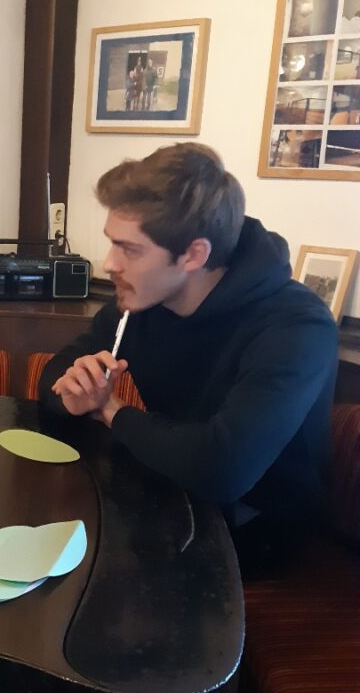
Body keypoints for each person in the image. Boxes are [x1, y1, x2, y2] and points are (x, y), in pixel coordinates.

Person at [39, 143, 337, 573]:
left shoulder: (296, 326)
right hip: (173, 493)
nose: (108, 264)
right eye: (111, 243)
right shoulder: (142, 302)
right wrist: (72, 393)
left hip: (260, 531)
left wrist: (110, 410)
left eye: (129, 249)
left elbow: (223, 469)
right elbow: (55, 375)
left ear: (194, 255)